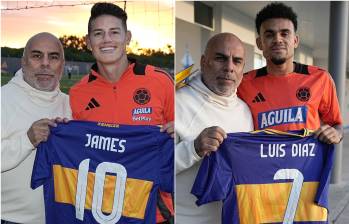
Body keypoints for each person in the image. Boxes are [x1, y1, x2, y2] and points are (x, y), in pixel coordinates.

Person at [69, 3, 174, 223]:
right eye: (98, 34)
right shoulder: (77, 93)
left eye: (114, 32)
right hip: (101, 211)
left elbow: (185, 140)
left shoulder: (160, 81)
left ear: (127, 37)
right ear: (88, 42)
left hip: (153, 211)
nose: (106, 40)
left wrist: (179, 131)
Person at [175, 33, 254, 224]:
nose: (229, 68)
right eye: (220, 58)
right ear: (204, 62)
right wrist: (194, 148)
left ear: (243, 68)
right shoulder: (176, 102)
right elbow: (153, 166)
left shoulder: (245, 111)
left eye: (237, 61)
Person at [238, 2, 343, 143]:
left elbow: (336, 125)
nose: (277, 39)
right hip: (262, 164)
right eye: (269, 35)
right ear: (260, 43)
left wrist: (336, 133)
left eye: (284, 33)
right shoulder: (243, 83)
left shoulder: (320, 78)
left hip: (306, 164)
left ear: (295, 40)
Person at [1, 32, 71, 224]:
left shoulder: (71, 104)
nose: (45, 64)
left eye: (53, 57)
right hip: (11, 218)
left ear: (62, 65)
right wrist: (28, 140)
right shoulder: (3, 99)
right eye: (37, 55)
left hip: (60, 218)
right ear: (23, 62)